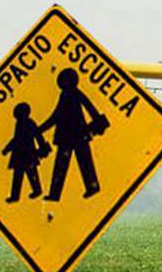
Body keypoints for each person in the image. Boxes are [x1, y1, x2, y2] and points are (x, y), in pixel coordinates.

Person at [39, 68, 109, 202]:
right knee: (79, 161)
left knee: (66, 163)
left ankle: (58, 193)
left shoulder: (70, 94)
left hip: (71, 135)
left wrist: (40, 129)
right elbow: (88, 107)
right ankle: (89, 186)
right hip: (76, 134)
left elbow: (57, 116)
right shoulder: (69, 94)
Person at [2, 102, 51, 203]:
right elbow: (16, 139)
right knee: (18, 175)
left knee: (31, 172)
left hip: (27, 152)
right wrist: (7, 148)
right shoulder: (19, 123)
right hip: (19, 153)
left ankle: (36, 190)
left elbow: (37, 135)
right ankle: (15, 196)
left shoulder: (29, 123)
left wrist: (42, 147)